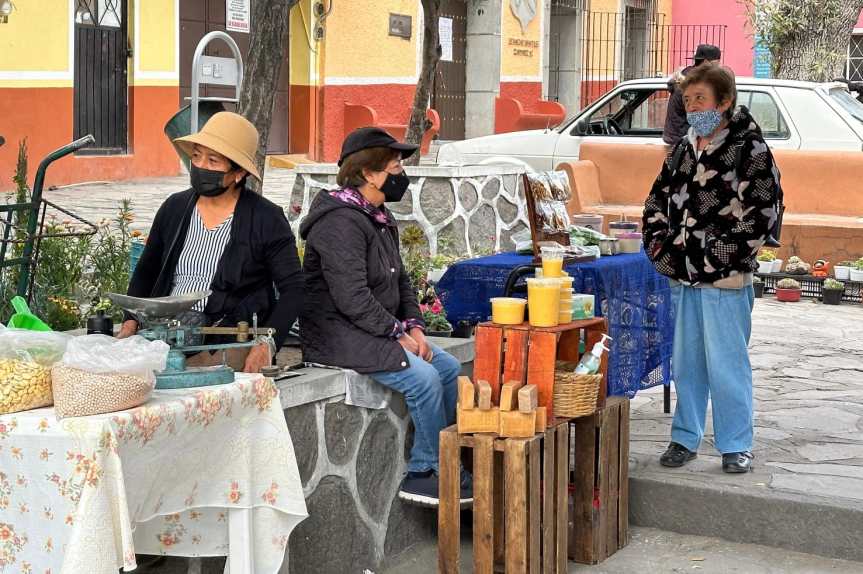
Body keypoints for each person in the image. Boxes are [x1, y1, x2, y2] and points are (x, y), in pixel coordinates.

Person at [299, 127, 471, 507]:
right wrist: (395, 333)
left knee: (444, 369)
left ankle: (445, 462)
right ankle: (424, 473)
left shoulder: (377, 215)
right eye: (394, 165)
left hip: (373, 327)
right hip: (337, 334)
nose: (400, 174)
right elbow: (351, 297)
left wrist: (414, 326)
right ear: (368, 174)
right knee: (423, 378)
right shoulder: (339, 223)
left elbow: (402, 279)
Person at [642, 63, 780, 474]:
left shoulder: (749, 149)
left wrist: (715, 256)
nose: (692, 107)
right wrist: (662, 252)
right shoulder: (685, 149)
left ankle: (736, 443)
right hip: (683, 277)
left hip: (725, 277)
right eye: (687, 100)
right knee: (687, 363)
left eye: (700, 99)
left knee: (727, 363)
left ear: (724, 102)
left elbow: (762, 214)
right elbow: (655, 205)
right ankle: (684, 438)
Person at [119, 112, 304, 373]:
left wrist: (266, 344)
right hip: (166, 336)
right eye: (196, 156)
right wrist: (130, 321)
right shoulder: (174, 207)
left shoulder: (266, 218)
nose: (201, 166)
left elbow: (294, 289)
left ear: (238, 173)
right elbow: (146, 272)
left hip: (225, 342)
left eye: (213, 160)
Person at [663, 44, 722, 145]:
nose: (718, 66)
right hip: (682, 143)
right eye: (716, 63)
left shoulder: (689, 77)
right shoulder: (694, 83)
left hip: (680, 139)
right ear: (706, 62)